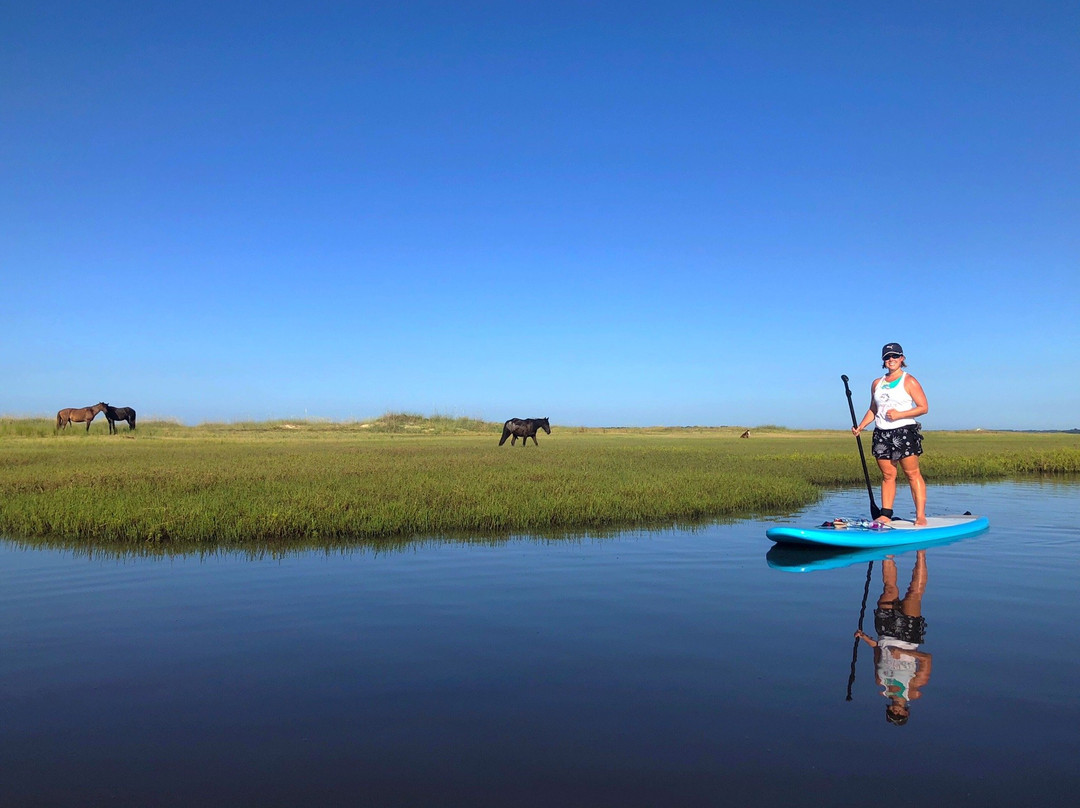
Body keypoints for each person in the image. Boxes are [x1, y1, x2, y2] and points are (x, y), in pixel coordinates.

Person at [852, 342, 929, 525]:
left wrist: (899, 414)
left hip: (904, 432)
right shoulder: (877, 383)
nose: (891, 360)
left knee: (912, 474)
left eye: (895, 356)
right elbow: (873, 408)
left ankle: (920, 515)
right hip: (881, 433)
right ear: (883, 361)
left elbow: (923, 407)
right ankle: (886, 514)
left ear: (902, 359)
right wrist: (861, 426)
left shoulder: (909, 381)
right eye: (887, 357)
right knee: (888, 476)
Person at [855, 551, 933, 726]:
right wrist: (903, 651)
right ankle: (921, 552)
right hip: (908, 636)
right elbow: (927, 659)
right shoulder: (912, 692)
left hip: (885, 631)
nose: (896, 711)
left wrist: (864, 638)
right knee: (914, 594)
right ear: (906, 711)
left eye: (893, 713)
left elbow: (878, 652)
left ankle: (887, 551)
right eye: (900, 714)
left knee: (889, 588)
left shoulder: (881, 685)